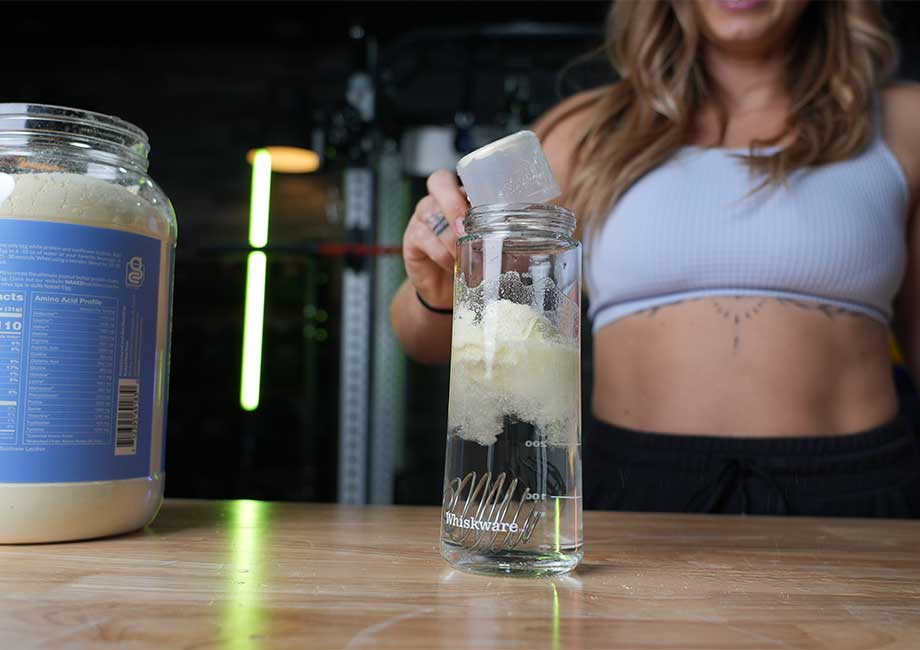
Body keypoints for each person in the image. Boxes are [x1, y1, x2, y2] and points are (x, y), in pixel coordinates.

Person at [390, 0, 920, 517]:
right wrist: (435, 284)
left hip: (857, 490)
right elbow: (428, 338)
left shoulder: (903, 122)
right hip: (634, 491)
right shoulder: (583, 131)